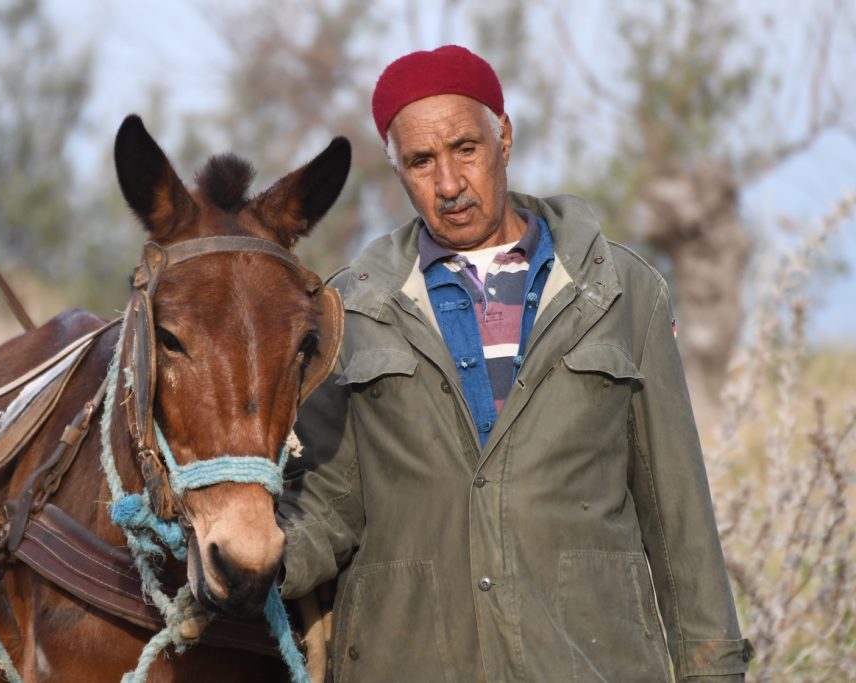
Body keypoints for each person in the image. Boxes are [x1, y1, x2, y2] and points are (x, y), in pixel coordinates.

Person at [277, 45, 751, 682]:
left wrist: (714, 671)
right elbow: (330, 507)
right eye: (421, 161)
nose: (448, 185)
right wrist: (253, 558)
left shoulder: (621, 291)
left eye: (465, 149)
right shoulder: (349, 309)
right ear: (396, 170)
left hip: (591, 666)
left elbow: (678, 519)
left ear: (503, 136)